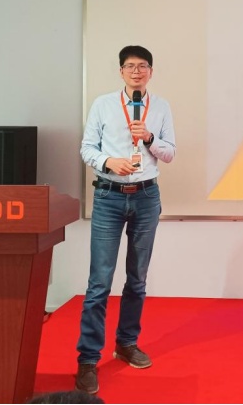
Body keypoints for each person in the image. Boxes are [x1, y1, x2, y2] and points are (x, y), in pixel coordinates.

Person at [75, 45, 176, 395]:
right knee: (99, 283)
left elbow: (170, 153)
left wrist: (149, 138)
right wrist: (108, 162)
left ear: (151, 72)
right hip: (109, 197)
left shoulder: (160, 107)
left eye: (143, 66)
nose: (137, 71)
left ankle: (126, 343)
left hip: (146, 197)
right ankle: (88, 359)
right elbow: (87, 148)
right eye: (130, 66)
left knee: (137, 279)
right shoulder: (103, 104)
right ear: (121, 71)